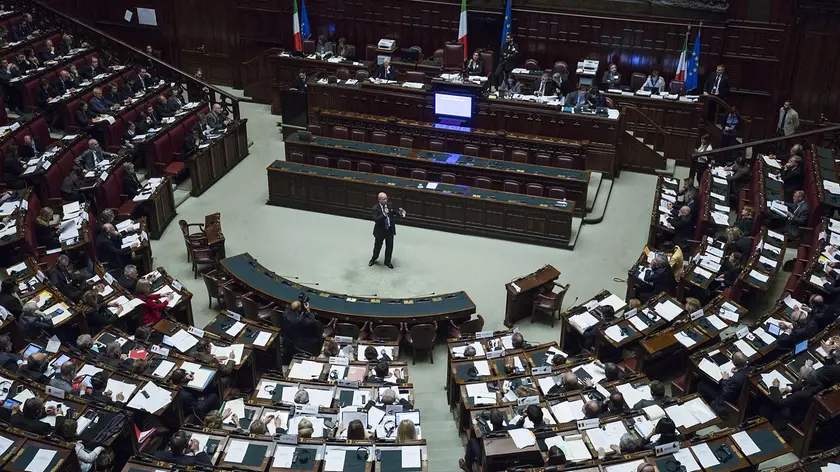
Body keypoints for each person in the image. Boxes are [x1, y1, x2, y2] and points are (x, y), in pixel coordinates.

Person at [369, 192, 405, 269]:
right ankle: (373, 259)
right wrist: (384, 215)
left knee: (389, 247)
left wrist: (400, 213)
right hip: (380, 231)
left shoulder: (390, 205)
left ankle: (387, 261)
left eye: (386, 198)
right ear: (379, 200)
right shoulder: (375, 208)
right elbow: (376, 220)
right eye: (384, 199)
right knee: (377, 247)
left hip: (389, 230)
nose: (386, 200)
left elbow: (394, 212)